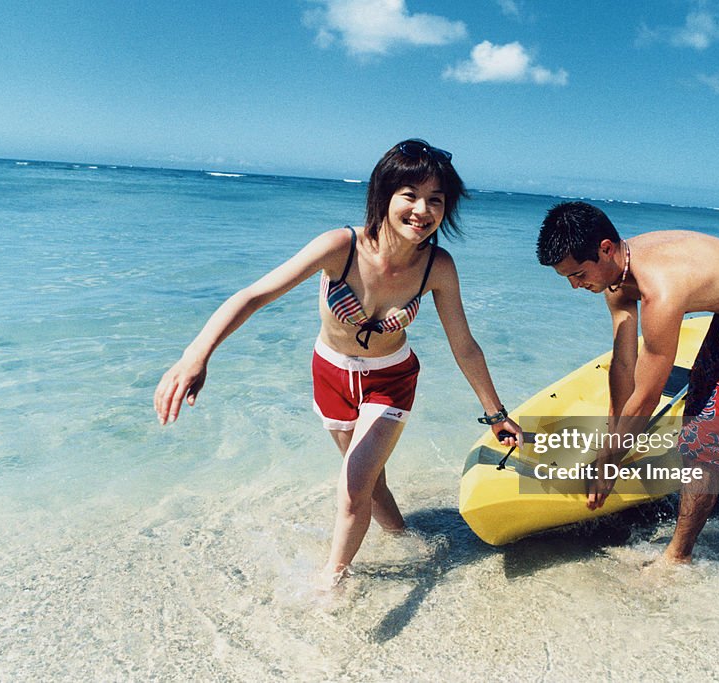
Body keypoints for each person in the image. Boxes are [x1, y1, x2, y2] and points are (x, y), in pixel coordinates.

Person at [154, 139, 522, 586]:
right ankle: (407, 542)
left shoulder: (437, 267)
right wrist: (196, 356)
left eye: (436, 200)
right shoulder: (340, 247)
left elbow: (464, 345)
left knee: (352, 489)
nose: (422, 210)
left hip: (391, 379)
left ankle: (332, 584)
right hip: (330, 375)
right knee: (370, 480)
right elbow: (254, 296)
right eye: (410, 194)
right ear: (384, 195)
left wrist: (497, 413)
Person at [536, 201, 719, 563]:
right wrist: (614, 441)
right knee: (695, 418)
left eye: (577, 274)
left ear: (605, 249)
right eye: (567, 278)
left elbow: (649, 393)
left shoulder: (661, 290)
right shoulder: (614, 274)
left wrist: (608, 462)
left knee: (706, 439)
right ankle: (706, 505)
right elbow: (623, 364)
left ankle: (678, 556)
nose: (575, 286)